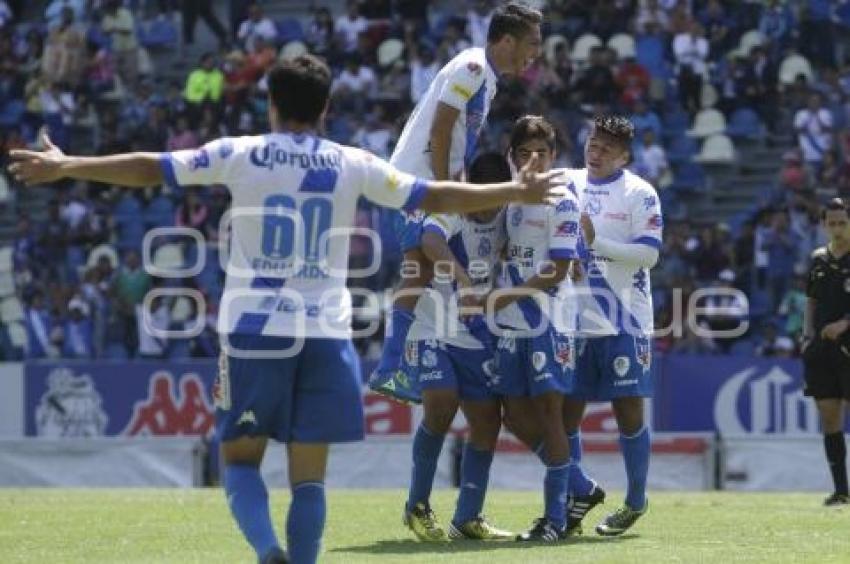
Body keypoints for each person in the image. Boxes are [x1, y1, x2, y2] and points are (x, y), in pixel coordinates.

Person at [8, 54, 561, 564]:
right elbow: (433, 195)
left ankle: (268, 550)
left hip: (254, 329)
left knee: (242, 462)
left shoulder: (240, 152)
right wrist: (515, 192)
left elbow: (151, 167)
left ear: (271, 103)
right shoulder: (353, 162)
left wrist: (68, 164)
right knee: (309, 480)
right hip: (324, 336)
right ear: (324, 108)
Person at [369, 1, 543, 404]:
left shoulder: (487, 77)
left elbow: (455, 139)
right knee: (422, 267)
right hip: (420, 180)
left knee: (420, 271)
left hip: (421, 180)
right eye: (531, 43)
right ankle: (391, 366)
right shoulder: (473, 67)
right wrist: (448, 188)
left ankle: (393, 367)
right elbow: (442, 126)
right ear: (504, 40)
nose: (535, 52)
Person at [401, 152, 513, 542]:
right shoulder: (452, 209)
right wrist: (463, 278)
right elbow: (429, 239)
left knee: (487, 422)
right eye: (481, 201)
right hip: (433, 326)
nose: (488, 211)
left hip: (476, 333)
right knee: (442, 404)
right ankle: (417, 506)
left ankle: (467, 517)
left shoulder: (508, 214)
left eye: (495, 201)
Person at [569, 114, 662, 536]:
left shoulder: (640, 193)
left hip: (626, 319)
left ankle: (635, 500)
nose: (596, 150)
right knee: (564, 413)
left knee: (628, 412)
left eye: (607, 147)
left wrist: (595, 243)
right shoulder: (566, 183)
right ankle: (570, 497)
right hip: (573, 318)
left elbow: (649, 255)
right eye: (593, 141)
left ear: (624, 155)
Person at [490, 116, 581, 542]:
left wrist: (506, 296)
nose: (533, 161)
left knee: (550, 416)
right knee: (509, 412)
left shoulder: (562, 200)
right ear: (512, 157)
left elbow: (559, 267)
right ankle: (577, 485)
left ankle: (555, 520)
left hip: (549, 319)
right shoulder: (510, 200)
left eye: (541, 153)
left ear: (553, 156)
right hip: (510, 321)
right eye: (524, 154)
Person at [802, 198, 850, 506]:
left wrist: (845, 322)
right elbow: (811, 300)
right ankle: (841, 491)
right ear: (823, 225)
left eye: (842, 223)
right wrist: (806, 335)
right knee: (829, 416)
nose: (836, 229)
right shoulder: (818, 258)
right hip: (821, 349)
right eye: (831, 223)